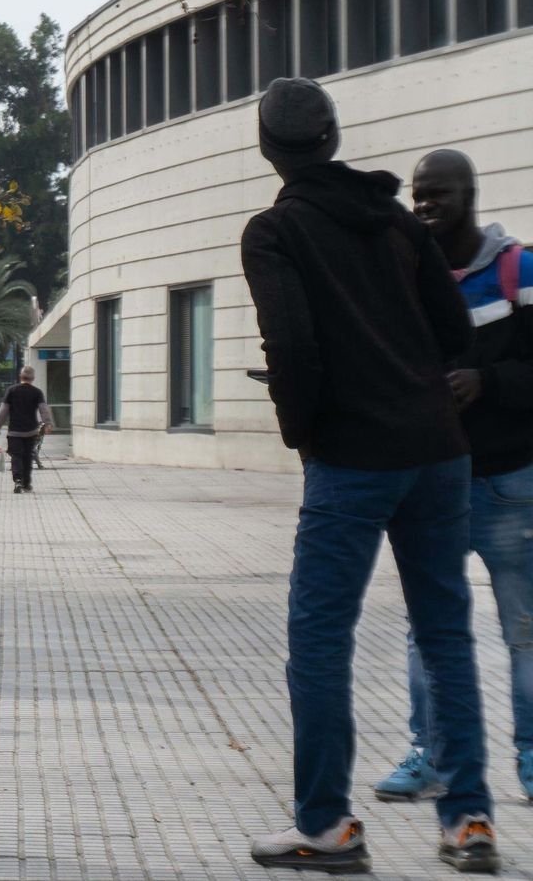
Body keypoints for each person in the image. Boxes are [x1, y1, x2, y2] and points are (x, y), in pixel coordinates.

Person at [241, 78, 496, 874]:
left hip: (351, 462)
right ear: (334, 135)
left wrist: (306, 436)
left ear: (268, 148)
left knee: (319, 640)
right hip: (439, 455)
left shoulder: (276, 231)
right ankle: (469, 824)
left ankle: (327, 826)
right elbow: (454, 328)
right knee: (446, 634)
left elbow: (293, 347)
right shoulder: (395, 220)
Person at [370, 149, 533, 806]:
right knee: (426, 628)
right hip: (434, 482)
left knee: (523, 626)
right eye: (419, 195)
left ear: (471, 193)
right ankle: (428, 758)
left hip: (510, 482)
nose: (427, 205)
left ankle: (530, 757)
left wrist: (486, 380)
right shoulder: (407, 274)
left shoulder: (518, 269)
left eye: (440, 193)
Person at [0, 366, 52, 494]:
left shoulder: (11, 390)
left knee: (16, 456)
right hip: (31, 431)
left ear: (21, 377)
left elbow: (3, 411)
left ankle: (18, 481)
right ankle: (26, 484)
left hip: (14, 432)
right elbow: (43, 409)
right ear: (33, 378)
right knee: (27, 457)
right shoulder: (37, 392)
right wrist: (47, 423)